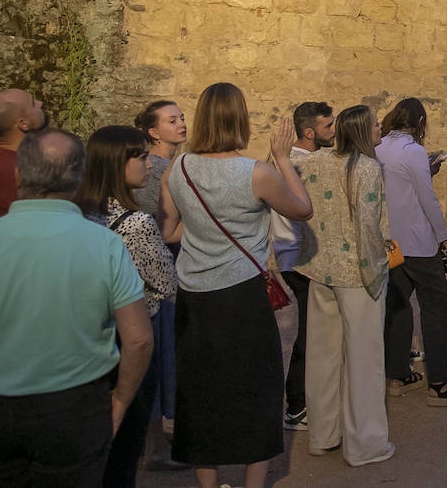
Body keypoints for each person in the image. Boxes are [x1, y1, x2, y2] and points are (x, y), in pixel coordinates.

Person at [0, 130, 153, 484]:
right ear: (79, 178)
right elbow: (139, 340)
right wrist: (120, 402)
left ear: (19, 176)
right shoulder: (105, 245)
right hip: (73, 406)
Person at [160, 82, 313, 488]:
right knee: (255, 387)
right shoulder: (256, 173)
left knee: (200, 389)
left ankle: (209, 484)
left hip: (194, 293)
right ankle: (252, 483)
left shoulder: (179, 168)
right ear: (240, 119)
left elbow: (170, 229)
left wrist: (203, 231)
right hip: (242, 294)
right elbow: (303, 209)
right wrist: (283, 158)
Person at [74, 125, 178, 488]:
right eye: (142, 156)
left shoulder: (77, 215)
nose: (150, 164)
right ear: (120, 164)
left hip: (85, 340)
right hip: (127, 343)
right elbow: (167, 283)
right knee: (120, 458)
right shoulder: (137, 224)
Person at [295, 105, 394, 466]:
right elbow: (368, 226)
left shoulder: (317, 161)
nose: (381, 126)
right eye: (376, 122)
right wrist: (378, 269)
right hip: (358, 275)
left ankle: (322, 435)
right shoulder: (367, 167)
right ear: (363, 131)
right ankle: (365, 445)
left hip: (321, 270)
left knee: (323, 357)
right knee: (364, 360)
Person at [376, 98, 447, 407]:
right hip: (419, 242)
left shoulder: (378, 147)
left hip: (391, 240)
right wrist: (444, 238)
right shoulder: (413, 151)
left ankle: (396, 374)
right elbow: (427, 200)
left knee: (398, 305)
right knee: (435, 307)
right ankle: (438, 383)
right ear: (420, 122)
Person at [132, 99, 189, 469]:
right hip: (161, 270)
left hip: (175, 264)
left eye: (182, 117)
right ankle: (151, 447)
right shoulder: (154, 169)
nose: (182, 123)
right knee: (158, 354)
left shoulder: (175, 165)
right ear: (154, 132)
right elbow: (158, 223)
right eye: (172, 120)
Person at [276, 101, 334, 432]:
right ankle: (296, 405)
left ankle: (306, 400)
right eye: (328, 127)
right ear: (309, 132)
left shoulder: (296, 161)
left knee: (315, 330)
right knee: (311, 333)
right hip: (301, 258)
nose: (334, 132)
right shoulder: (302, 165)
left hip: (295, 255)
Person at [0, 88, 48, 224]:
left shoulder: (20, 158)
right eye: (33, 104)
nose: (40, 103)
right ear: (23, 124)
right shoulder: (3, 169)